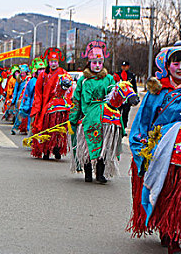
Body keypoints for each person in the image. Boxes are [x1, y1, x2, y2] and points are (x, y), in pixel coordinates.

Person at [127, 48, 181, 254]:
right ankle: (166, 228)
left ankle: (173, 237)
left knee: (179, 194)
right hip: (159, 150)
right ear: (167, 67)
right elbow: (142, 122)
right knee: (163, 190)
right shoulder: (156, 92)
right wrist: (142, 147)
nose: (180, 68)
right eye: (176, 64)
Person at [69, 41, 116, 183]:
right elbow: (76, 100)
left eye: (100, 62)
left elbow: (114, 97)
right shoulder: (83, 80)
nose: (97, 65)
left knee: (103, 146)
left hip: (104, 118)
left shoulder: (109, 79)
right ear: (89, 63)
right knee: (86, 145)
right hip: (87, 117)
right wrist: (73, 118)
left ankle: (100, 173)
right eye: (94, 62)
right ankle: (87, 172)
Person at [30, 48, 67, 158]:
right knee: (46, 128)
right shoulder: (43, 75)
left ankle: (57, 149)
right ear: (48, 62)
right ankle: (45, 150)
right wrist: (38, 105)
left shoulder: (62, 73)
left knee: (59, 129)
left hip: (59, 105)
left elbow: (68, 88)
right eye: (51, 62)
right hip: (46, 105)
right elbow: (38, 91)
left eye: (55, 62)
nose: (54, 64)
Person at [113, 61, 138, 128]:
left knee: (125, 113)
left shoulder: (131, 75)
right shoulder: (117, 75)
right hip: (119, 97)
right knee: (117, 112)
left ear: (128, 66)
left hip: (127, 98)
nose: (124, 67)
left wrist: (135, 96)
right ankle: (116, 125)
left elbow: (134, 87)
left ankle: (123, 127)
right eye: (123, 66)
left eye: (125, 66)